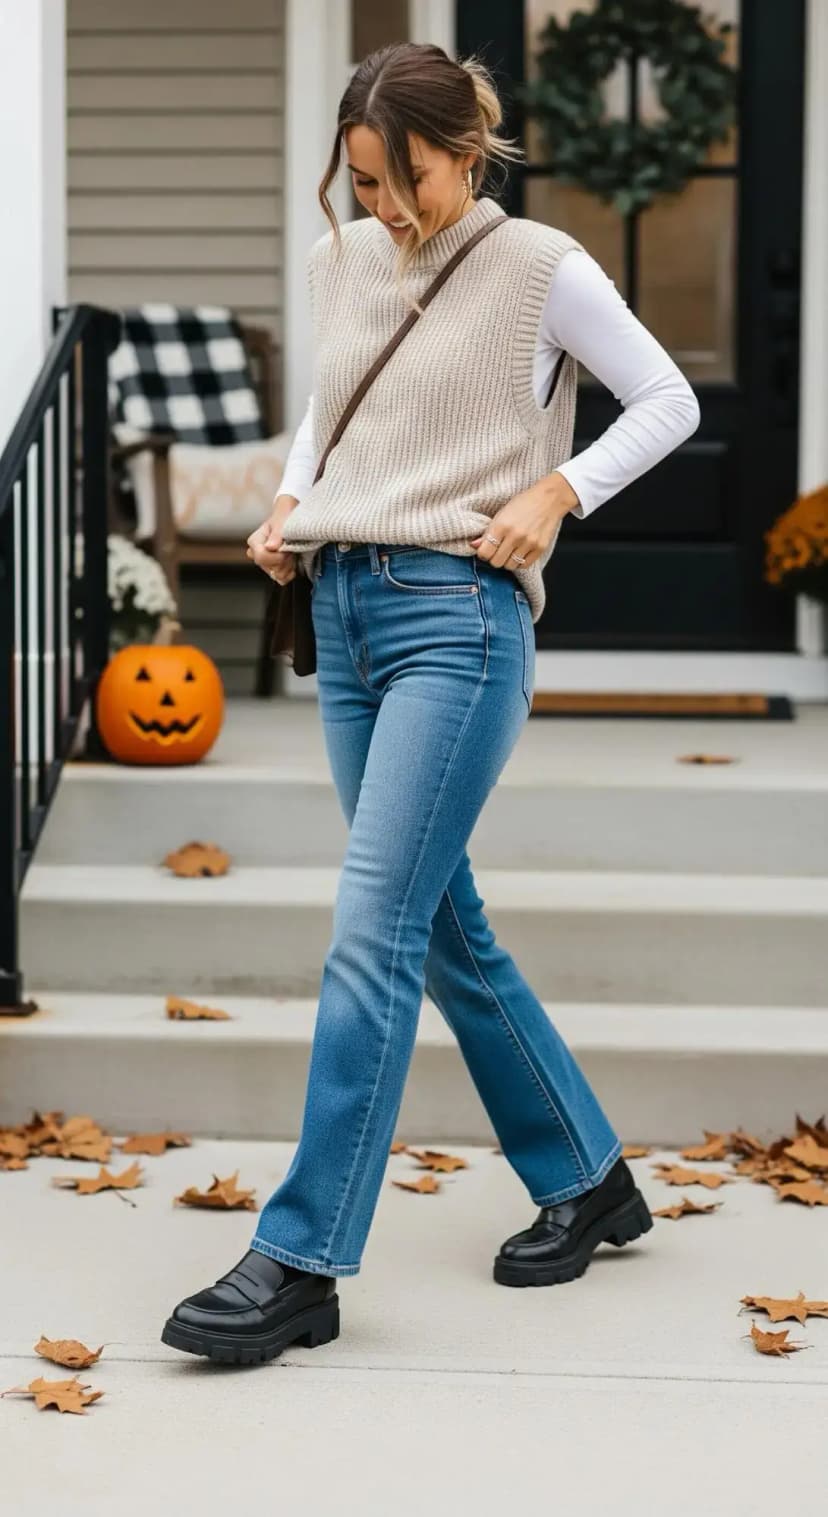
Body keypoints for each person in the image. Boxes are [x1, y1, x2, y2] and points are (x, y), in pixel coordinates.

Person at [162, 41, 699, 1367]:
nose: (389, 206)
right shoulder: (345, 257)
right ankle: (587, 1171)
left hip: (456, 621)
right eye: (365, 180)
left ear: (471, 148)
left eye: (408, 178)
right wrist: (295, 500)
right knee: (436, 918)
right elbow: (334, 401)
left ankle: (301, 1256)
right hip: (344, 610)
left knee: (372, 926)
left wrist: (555, 490)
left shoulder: (540, 271)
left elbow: (667, 399)